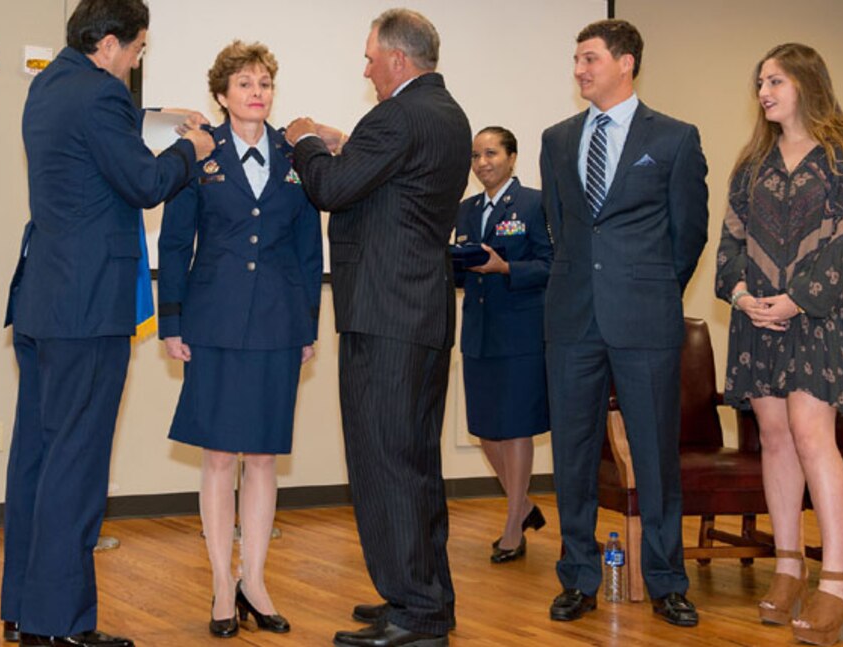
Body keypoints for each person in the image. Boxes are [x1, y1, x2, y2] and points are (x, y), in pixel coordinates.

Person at [0, 1, 215, 646]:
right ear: (111, 45)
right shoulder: (101, 96)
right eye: (139, 50)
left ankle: (25, 610)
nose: (138, 62)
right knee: (78, 463)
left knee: (36, 459)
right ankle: (60, 624)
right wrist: (191, 145)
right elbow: (145, 181)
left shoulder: (50, 84)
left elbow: (96, 141)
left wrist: (157, 115)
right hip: (88, 307)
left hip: (44, 301)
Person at [284, 8, 471, 647]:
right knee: (414, 461)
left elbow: (332, 188)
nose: (365, 68)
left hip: (386, 314)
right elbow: (383, 180)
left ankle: (413, 614)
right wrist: (346, 144)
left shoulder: (397, 115)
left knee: (385, 461)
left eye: (370, 57)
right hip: (419, 312)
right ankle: (426, 597)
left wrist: (305, 140)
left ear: (398, 59)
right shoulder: (446, 114)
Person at [539, 19, 708, 627]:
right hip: (572, 319)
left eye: (589, 59)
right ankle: (578, 577)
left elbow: (688, 234)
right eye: (576, 60)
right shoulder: (557, 139)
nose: (579, 70)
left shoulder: (675, 138)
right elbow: (562, 227)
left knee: (656, 455)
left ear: (625, 62)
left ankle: (667, 581)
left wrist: (652, 288)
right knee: (574, 455)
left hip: (645, 319)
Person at [157, 40, 322, 640]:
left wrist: (308, 323)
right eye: (246, 83)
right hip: (214, 320)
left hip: (279, 320)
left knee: (263, 457)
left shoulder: (294, 155)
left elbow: (309, 248)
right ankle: (222, 586)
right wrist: (171, 321)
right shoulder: (199, 154)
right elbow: (174, 244)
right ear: (222, 95)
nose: (258, 92)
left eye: (265, 83)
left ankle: (255, 580)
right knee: (219, 455)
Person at [716, 43, 843, 646]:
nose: (764, 91)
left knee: (813, 437)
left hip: (820, 316)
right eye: (760, 81)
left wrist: (795, 299)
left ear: (807, 82)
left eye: (775, 80)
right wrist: (740, 294)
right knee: (776, 439)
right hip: (756, 322)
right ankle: (789, 567)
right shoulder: (751, 163)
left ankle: (838, 580)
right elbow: (728, 242)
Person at [454, 126, 552, 564]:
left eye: (491, 153)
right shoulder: (466, 209)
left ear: (512, 157)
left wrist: (506, 267)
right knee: (485, 429)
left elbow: (551, 265)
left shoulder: (535, 203)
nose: (482, 163)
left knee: (515, 428)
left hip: (520, 331)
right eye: (476, 156)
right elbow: (461, 270)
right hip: (477, 331)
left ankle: (514, 524)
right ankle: (526, 504)